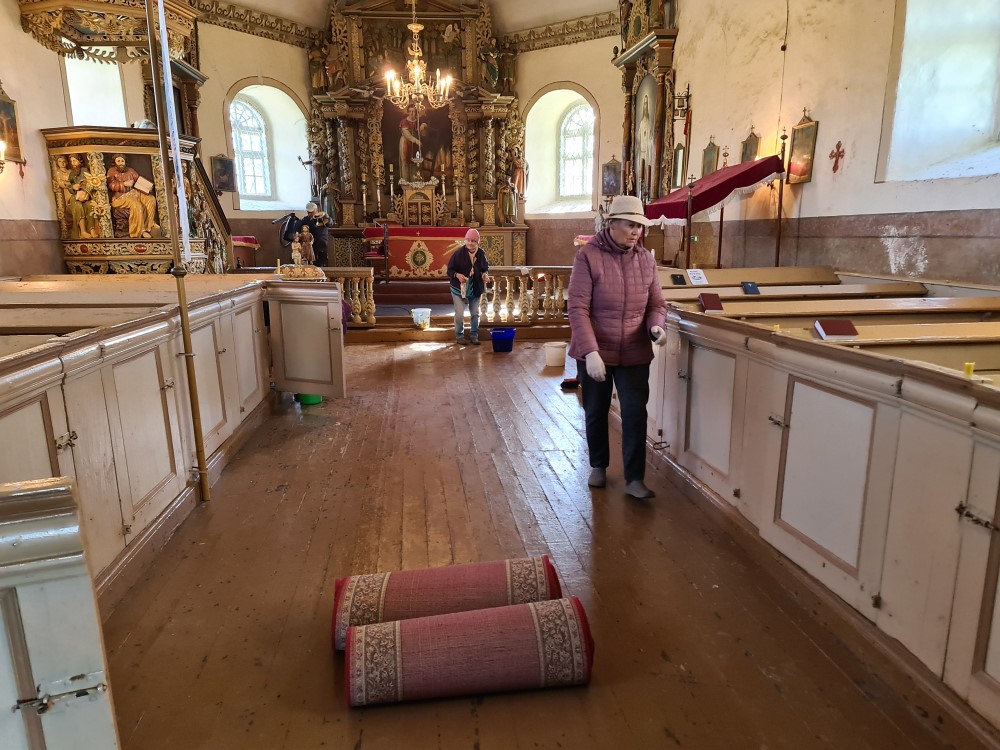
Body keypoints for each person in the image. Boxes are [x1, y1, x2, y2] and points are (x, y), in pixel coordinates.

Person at [568, 194, 667, 500]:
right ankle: (598, 465)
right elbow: (578, 309)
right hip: (596, 349)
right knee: (596, 410)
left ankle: (635, 478)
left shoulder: (646, 260)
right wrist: (591, 352)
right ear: (611, 224)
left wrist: (656, 326)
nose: (636, 231)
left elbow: (657, 304)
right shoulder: (588, 256)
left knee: (635, 413)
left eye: (639, 226)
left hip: (634, 350)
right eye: (629, 225)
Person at [447, 228, 491, 345]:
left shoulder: (481, 253)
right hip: (458, 288)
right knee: (459, 314)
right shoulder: (458, 253)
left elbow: (485, 268)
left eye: (473, 241)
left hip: (475, 287)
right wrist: (457, 275)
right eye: (468, 240)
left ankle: (474, 335)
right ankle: (459, 336)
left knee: (475, 313)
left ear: (478, 242)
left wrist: (485, 274)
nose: (470, 243)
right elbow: (449, 270)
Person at [107, 153, 158, 238]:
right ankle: (139, 231)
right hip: (120, 197)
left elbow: (138, 180)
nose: (120, 163)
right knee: (135, 204)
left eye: (122, 161)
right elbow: (110, 184)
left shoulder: (130, 170)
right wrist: (123, 184)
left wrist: (147, 186)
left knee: (150, 199)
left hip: (133, 193)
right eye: (118, 161)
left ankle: (149, 225)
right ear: (115, 162)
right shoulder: (112, 171)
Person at [295, 202, 331, 266]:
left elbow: (330, 223)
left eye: (311, 212)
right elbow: (298, 226)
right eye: (308, 212)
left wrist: (325, 220)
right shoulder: (306, 219)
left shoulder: (323, 216)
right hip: (310, 245)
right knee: (312, 262)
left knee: (322, 262)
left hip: (322, 244)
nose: (309, 214)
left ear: (316, 210)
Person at [399, 104, 421, 182]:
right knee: (405, 162)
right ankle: (406, 183)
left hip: (415, 144)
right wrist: (416, 141)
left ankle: (415, 182)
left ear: (416, 112)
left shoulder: (417, 121)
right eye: (410, 111)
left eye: (413, 111)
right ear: (408, 112)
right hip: (406, 142)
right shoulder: (404, 121)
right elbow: (407, 134)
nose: (412, 113)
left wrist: (424, 126)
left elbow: (420, 131)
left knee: (415, 162)